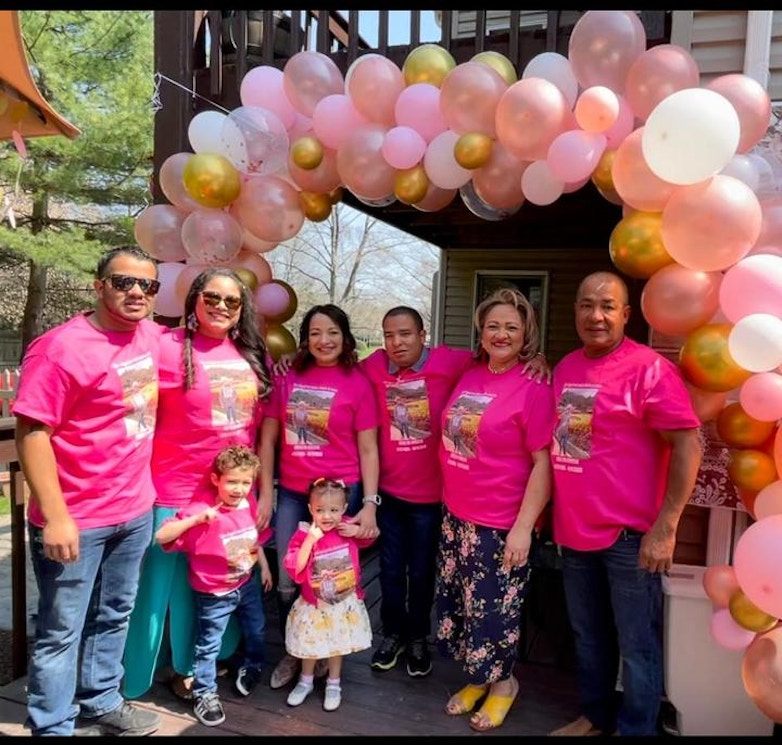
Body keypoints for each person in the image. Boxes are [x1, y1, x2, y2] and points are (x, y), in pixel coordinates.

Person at [13, 246, 163, 736]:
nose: (136, 292)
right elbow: (32, 432)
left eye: (148, 285)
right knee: (60, 632)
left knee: (114, 613)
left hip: (135, 509)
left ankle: (100, 700)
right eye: (124, 282)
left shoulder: (148, 335)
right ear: (99, 286)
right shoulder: (61, 348)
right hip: (77, 518)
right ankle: (52, 725)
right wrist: (56, 516)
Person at [548, 271, 701, 737]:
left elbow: (688, 445)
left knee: (638, 647)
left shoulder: (649, 368)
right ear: (575, 311)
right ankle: (595, 717)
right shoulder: (565, 367)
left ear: (626, 315)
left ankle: (637, 729)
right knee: (589, 639)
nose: (596, 315)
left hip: (630, 540)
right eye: (586, 304)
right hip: (574, 533)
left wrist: (667, 526)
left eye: (607, 306)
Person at [360, 305, 549, 679]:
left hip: (434, 501)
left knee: (426, 574)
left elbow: (505, 352)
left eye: (406, 334)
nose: (397, 343)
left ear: (423, 335)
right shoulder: (373, 366)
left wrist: (539, 358)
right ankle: (393, 634)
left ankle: (418, 638)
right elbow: (333, 361)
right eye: (389, 335)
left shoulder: (453, 363)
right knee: (392, 571)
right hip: (392, 494)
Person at [123, 267, 273, 702]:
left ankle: (193, 667)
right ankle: (134, 676)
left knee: (208, 585)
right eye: (212, 297)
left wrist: (259, 490)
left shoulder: (248, 354)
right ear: (193, 300)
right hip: (172, 490)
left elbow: (258, 426)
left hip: (227, 495)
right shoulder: (164, 346)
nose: (221, 306)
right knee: (154, 590)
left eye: (232, 301)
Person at [436, 287, 555, 732]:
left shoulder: (535, 385)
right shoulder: (470, 372)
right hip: (457, 514)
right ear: (480, 332)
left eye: (511, 326)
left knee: (494, 612)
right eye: (493, 325)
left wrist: (524, 527)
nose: (501, 333)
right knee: (465, 605)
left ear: (527, 333)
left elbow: (545, 462)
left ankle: (503, 684)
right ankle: (478, 678)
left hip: (501, 521)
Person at [259, 303, 380, 690]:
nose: (323, 340)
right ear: (304, 338)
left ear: (344, 337)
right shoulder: (288, 375)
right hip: (294, 494)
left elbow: (368, 450)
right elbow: (268, 437)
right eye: (314, 333)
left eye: (331, 333)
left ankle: (328, 653)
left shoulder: (358, 382)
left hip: (339, 497)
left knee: (332, 579)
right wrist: (265, 493)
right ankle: (296, 652)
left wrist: (369, 504)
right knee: (287, 579)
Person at [155, 445, 273, 727]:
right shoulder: (201, 509)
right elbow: (162, 536)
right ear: (216, 480)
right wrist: (196, 520)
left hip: (246, 584)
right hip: (214, 594)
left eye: (246, 482)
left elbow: (254, 537)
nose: (239, 489)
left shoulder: (248, 503)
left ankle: (252, 665)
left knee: (256, 629)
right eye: (232, 481)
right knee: (208, 645)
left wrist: (265, 566)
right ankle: (204, 692)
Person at [282, 477, 375, 712]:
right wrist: (311, 540)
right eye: (320, 510)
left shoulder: (346, 527)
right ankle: (306, 680)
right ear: (310, 509)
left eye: (334, 510)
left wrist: (357, 529)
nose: (327, 516)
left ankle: (334, 683)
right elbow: (295, 567)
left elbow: (373, 535)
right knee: (310, 644)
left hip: (342, 604)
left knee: (338, 644)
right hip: (315, 605)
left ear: (344, 508)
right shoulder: (305, 534)